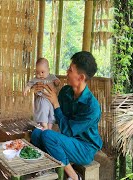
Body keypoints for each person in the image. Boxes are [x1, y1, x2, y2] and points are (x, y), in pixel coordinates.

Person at [31, 51, 102, 180]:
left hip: (84, 148)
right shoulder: (66, 91)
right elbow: (54, 114)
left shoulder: (92, 107)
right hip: (68, 141)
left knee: (48, 135)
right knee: (36, 133)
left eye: (70, 70)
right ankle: (50, 168)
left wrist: (56, 103)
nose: (66, 72)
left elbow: (68, 130)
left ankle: (74, 177)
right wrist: (40, 95)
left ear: (80, 77)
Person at [23, 58, 60, 130]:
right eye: (37, 72)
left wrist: (57, 82)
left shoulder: (51, 76)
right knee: (43, 111)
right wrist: (26, 89)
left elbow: (57, 81)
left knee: (51, 114)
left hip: (50, 100)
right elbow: (29, 84)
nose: (40, 74)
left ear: (48, 70)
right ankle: (44, 124)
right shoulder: (36, 79)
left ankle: (49, 128)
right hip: (42, 99)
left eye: (42, 72)